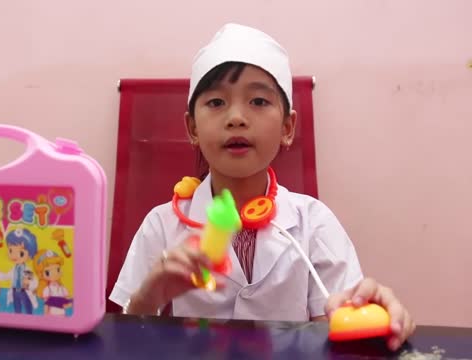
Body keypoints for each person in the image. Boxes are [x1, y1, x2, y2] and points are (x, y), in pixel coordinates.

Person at [109, 23, 415, 351]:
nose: (237, 117)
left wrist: (368, 316)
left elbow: (342, 325)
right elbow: (124, 343)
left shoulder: (314, 223)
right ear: (192, 128)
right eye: (215, 102)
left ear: (287, 127)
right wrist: (147, 298)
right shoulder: (161, 225)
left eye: (258, 100)